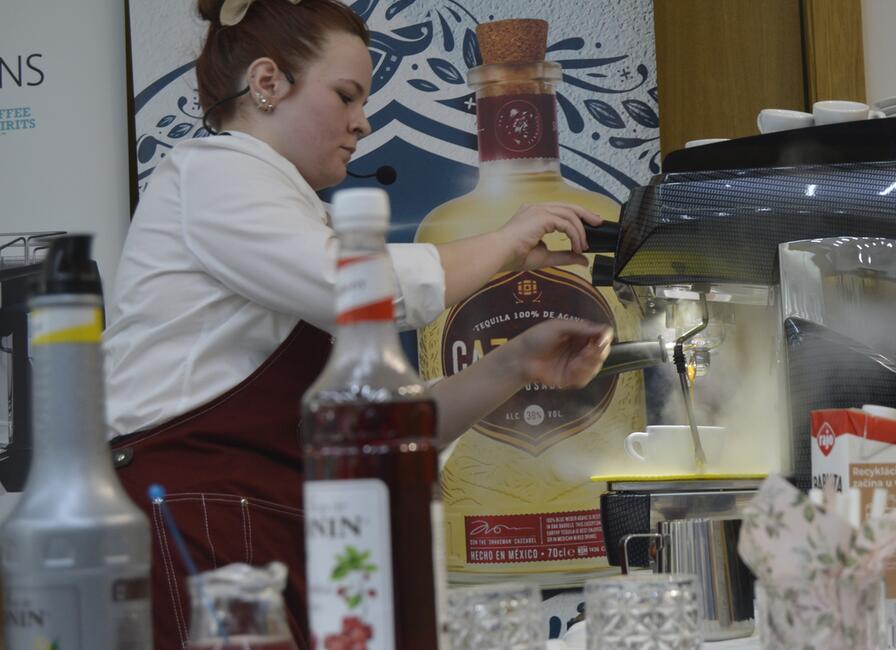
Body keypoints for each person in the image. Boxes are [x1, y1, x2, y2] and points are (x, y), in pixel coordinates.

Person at [103, 0, 612, 647]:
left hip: (258, 531)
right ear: (265, 84)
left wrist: (517, 362)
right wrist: (506, 243)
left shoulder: (282, 215)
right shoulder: (213, 174)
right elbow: (357, 288)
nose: (362, 123)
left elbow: (375, 430)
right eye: (345, 96)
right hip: (198, 531)